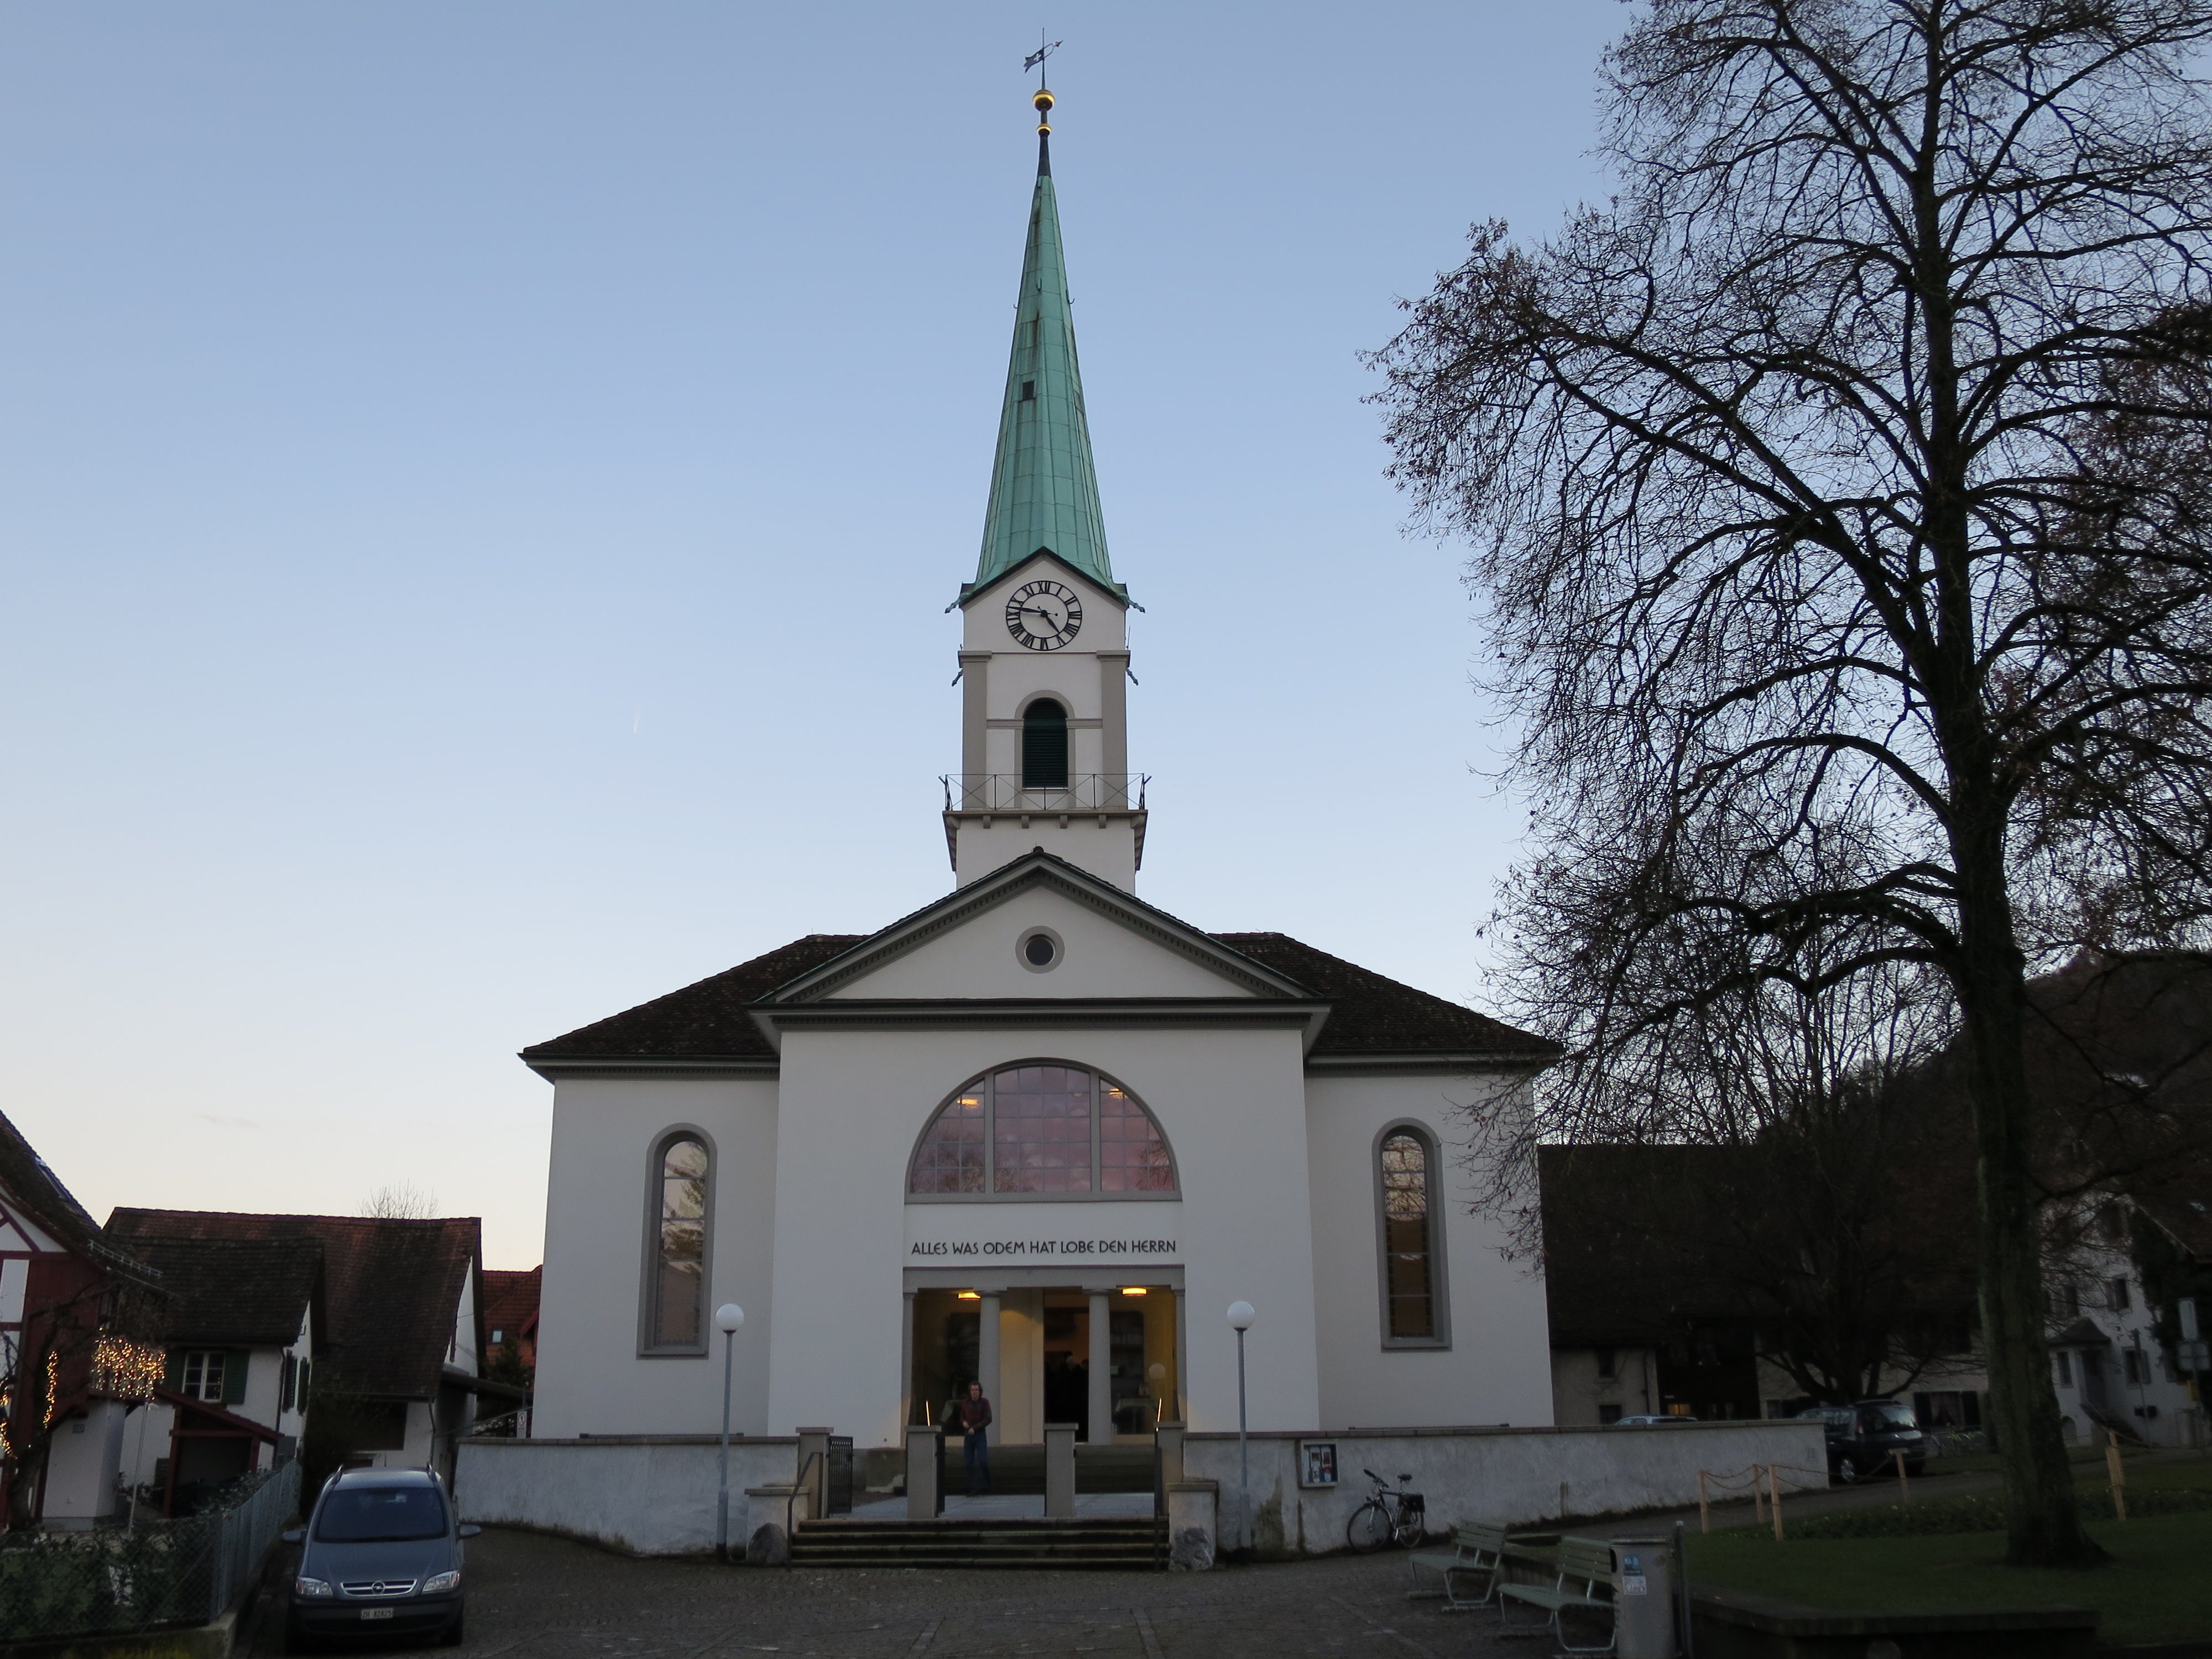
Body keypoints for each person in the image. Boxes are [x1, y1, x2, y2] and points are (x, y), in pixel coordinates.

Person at [953, 1381, 993, 1495]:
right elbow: (962, 1416)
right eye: (973, 1390)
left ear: (980, 1392)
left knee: (983, 1460)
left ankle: (987, 1485)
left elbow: (988, 1418)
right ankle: (973, 1488)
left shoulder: (984, 1403)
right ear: (970, 1392)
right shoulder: (966, 1403)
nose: (975, 1392)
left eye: (976, 1390)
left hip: (980, 1435)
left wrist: (975, 1428)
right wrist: (964, 1423)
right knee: (969, 1462)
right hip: (968, 1436)